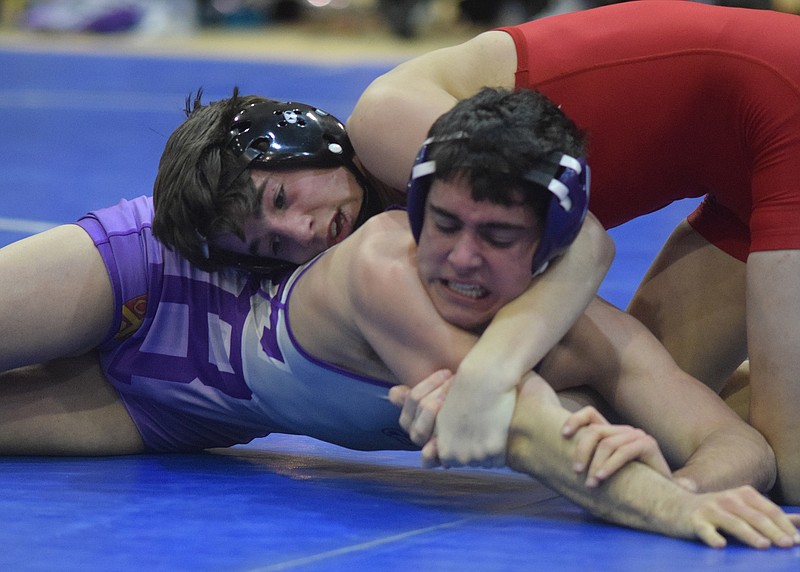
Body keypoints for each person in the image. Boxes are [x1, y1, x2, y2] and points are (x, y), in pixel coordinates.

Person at [1, 87, 798, 548]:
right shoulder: (383, 255)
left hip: (183, 409)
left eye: (494, 239)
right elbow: (524, 430)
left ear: (541, 253)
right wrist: (678, 507)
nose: (459, 258)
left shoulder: (589, 335)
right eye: (445, 229)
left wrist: (690, 476)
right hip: (158, 275)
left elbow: (740, 447)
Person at [346, 0, 800, 504]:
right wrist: (670, 496)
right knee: (639, 407)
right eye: (269, 244)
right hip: (742, 158)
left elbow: (585, 240)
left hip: (786, 98)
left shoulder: (382, 122)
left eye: (280, 201)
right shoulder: (378, 235)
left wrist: (486, 375)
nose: (301, 228)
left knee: (792, 467)